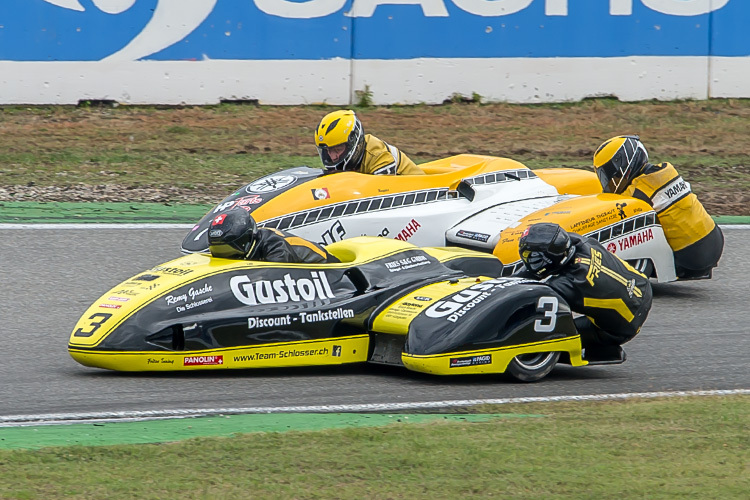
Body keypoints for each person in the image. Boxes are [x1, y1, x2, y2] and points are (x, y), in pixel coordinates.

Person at [593, 135, 723, 279]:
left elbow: (611, 208)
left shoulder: (639, 191)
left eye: (614, 177)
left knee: (627, 225)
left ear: (627, 165)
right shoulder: (665, 171)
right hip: (715, 238)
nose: (611, 184)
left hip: (690, 255)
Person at [518, 223, 653, 362]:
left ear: (552, 258)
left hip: (627, 323)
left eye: (534, 258)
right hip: (642, 283)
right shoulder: (578, 242)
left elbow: (532, 293)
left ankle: (602, 347)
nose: (529, 261)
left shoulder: (574, 283)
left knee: (544, 339)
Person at [208, 208, 339, 264]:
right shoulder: (253, 244)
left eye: (230, 251)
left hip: (330, 270)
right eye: (219, 251)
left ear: (246, 242)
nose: (226, 256)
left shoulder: (275, 247)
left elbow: (274, 278)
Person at [314, 109, 424, 175]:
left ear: (354, 143)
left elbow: (382, 196)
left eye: (337, 149)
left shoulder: (378, 155)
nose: (333, 157)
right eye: (328, 150)